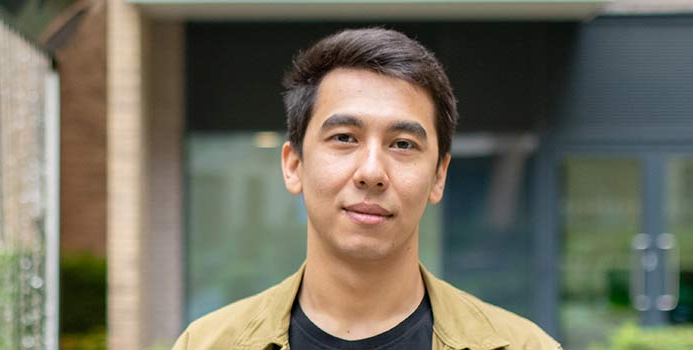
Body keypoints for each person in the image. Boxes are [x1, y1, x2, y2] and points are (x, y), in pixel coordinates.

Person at [171, 28, 559, 350]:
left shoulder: (526, 346)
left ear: (438, 176)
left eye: (403, 144)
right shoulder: (207, 344)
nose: (372, 172)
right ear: (294, 165)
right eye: (344, 137)